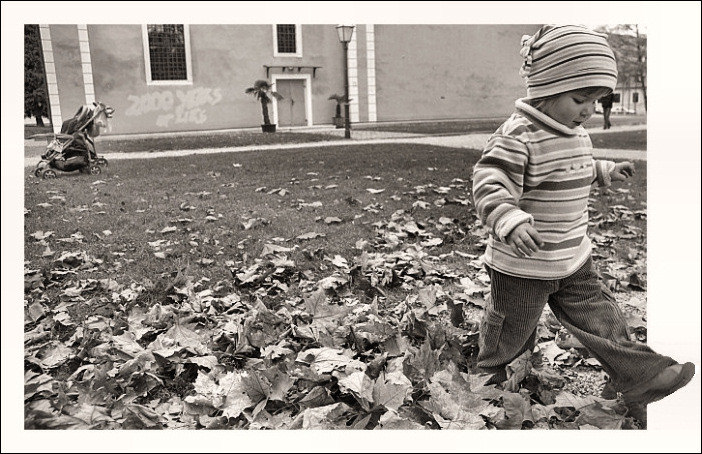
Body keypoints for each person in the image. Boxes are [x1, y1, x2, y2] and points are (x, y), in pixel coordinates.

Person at [471, 25, 694, 409]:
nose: (589, 110)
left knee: (602, 318)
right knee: (512, 330)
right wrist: (509, 217)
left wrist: (603, 169)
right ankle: (488, 384)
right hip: (523, 264)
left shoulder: (574, 132)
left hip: (573, 256)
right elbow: (489, 181)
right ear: (545, 88)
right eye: (580, 99)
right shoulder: (517, 135)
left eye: (596, 100)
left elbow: (575, 166)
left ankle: (641, 377)